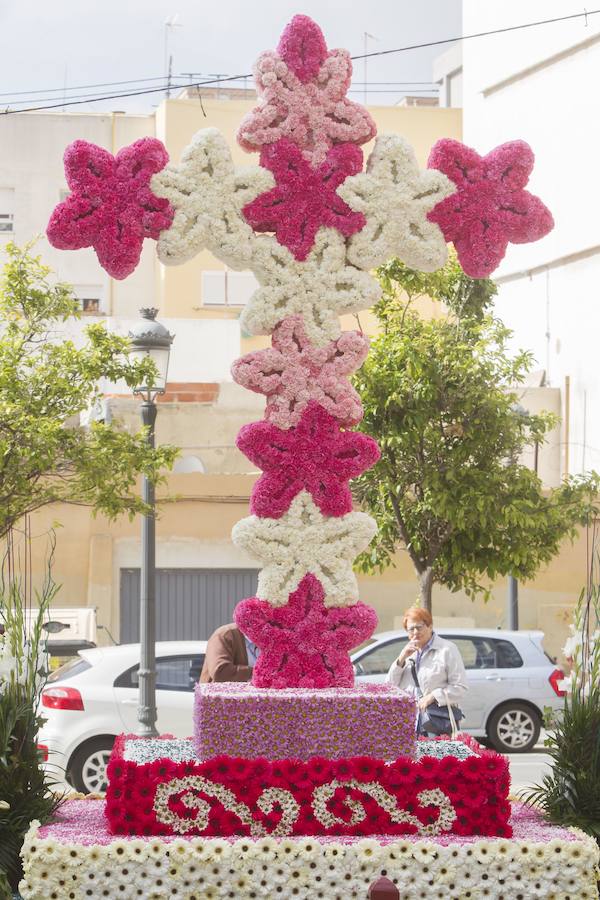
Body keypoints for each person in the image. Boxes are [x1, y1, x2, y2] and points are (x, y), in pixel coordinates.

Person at [386, 606, 467, 736]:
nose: (415, 632)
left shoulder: (447, 650)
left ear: (430, 626)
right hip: (409, 721)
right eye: (411, 629)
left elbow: (460, 687)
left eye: (419, 627)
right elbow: (390, 686)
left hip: (436, 722)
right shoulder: (408, 653)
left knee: (435, 756)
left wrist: (433, 696)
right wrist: (401, 658)